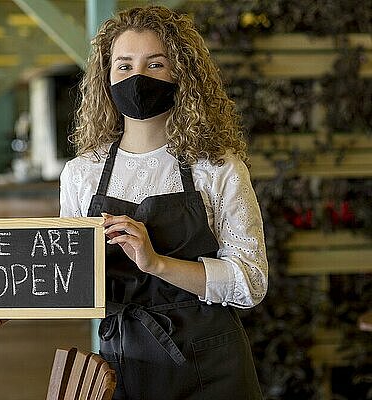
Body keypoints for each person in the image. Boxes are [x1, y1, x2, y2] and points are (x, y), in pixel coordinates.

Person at [58, 5, 268, 400]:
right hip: (124, 362)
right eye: (124, 66)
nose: (138, 78)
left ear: (180, 74)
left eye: (155, 64)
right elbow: (71, 279)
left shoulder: (217, 167)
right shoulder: (81, 174)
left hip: (212, 365)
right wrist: (8, 305)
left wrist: (156, 263)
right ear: (105, 79)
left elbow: (250, 281)